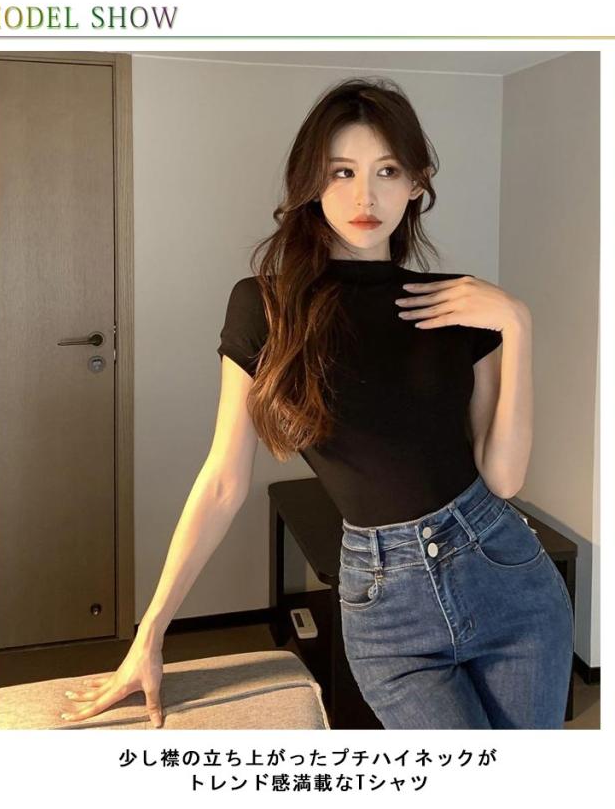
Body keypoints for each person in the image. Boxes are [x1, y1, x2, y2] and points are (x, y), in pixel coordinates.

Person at [60, 76, 574, 729]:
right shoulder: (265, 307)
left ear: (417, 182)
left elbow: (503, 477)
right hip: (386, 607)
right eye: (341, 172)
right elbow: (222, 480)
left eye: (387, 170)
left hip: (505, 578)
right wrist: (151, 632)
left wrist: (518, 325)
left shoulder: (462, 304)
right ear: (311, 182)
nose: (365, 196)